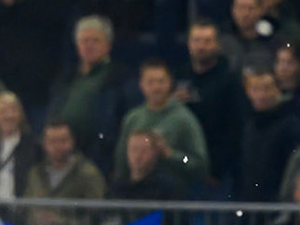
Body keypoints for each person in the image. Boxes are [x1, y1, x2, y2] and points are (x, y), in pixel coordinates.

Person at [48, 15, 132, 174]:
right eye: (84, 41)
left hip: (100, 158)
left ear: (108, 45)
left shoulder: (119, 78)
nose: (89, 45)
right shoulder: (66, 79)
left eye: (95, 41)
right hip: (64, 157)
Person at [113, 58, 209, 186]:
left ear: (170, 83)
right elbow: (121, 162)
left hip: (171, 194)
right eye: (150, 82)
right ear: (141, 85)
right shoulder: (133, 118)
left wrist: (171, 154)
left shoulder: (184, 119)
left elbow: (198, 164)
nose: (156, 87)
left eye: (161, 82)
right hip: (136, 192)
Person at [178, 18, 244, 188]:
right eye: (196, 40)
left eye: (207, 41)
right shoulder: (179, 76)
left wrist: (216, 170)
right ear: (189, 43)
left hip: (215, 175)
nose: (201, 46)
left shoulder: (230, 82)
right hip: (182, 169)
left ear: (217, 45)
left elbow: (235, 132)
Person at [23, 118, 106, 225]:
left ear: (72, 141)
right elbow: (26, 209)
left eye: (63, 141)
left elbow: (96, 218)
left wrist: (58, 223)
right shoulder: (35, 174)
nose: (58, 146)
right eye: (52, 141)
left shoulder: (88, 175)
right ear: (44, 144)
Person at [237, 66, 300, 203]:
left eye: (267, 88)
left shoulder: (292, 126)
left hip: (279, 206)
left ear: (277, 90)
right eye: (256, 89)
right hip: (249, 205)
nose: (262, 95)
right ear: (248, 92)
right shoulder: (248, 126)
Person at [0, 92, 37, 200]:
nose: (8, 116)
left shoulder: (32, 145)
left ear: (21, 114)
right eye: (3, 111)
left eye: (13, 110)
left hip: (21, 207)